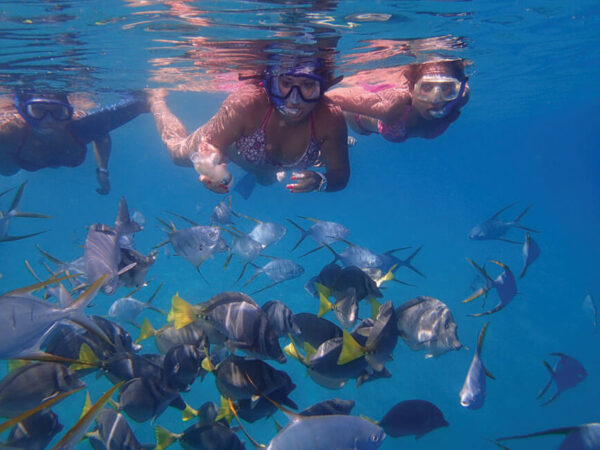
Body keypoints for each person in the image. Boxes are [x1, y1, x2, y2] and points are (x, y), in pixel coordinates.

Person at [148, 55, 350, 195]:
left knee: (267, 179)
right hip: (233, 146)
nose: (294, 100)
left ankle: (263, 175)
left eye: (307, 86)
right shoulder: (247, 104)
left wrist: (321, 182)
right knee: (176, 153)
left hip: (263, 168)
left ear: (321, 88)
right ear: (270, 83)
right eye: (286, 84)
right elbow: (212, 145)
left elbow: (340, 175)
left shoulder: (330, 119)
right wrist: (209, 166)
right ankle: (155, 100)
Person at [0, 91, 149, 194]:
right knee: (7, 172)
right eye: (37, 111)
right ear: (23, 111)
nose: (48, 120)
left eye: (58, 112)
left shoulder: (78, 125)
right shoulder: (10, 131)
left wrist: (102, 170)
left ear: (68, 112)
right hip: (15, 160)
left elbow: (101, 134)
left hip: (35, 155)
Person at [327, 59, 469, 143]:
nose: (436, 99)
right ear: (412, 89)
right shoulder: (393, 108)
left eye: (446, 88)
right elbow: (329, 98)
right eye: (426, 87)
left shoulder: (461, 97)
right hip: (357, 122)